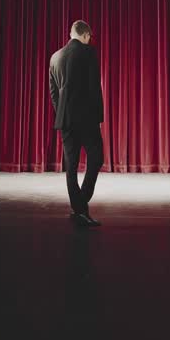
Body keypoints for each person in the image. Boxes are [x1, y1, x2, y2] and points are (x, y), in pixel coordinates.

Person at [49, 20, 105, 227]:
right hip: (86, 118)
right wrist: (98, 118)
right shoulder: (88, 52)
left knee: (71, 166)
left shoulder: (55, 57)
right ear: (85, 35)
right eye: (89, 37)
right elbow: (94, 88)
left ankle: (78, 207)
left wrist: (63, 114)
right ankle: (81, 203)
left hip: (65, 120)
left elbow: (53, 93)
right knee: (97, 157)